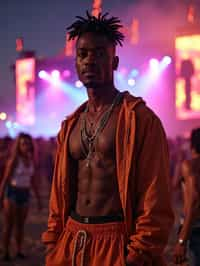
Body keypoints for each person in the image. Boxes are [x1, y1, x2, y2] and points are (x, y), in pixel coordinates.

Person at [42, 12, 174, 266]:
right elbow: (58, 194)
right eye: (83, 54)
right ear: (76, 63)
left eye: (99, 53)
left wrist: (139, 253)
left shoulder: (140, 120)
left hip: (117, 243)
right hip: (72, 240)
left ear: (114, 62)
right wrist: (53, 243)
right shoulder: (70, 125)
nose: (90, 60)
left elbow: (155, 194)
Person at [0, 133, 42, 261]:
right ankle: (5, 251)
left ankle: (18, 250)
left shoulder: (31, 159)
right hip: (12, 193)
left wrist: (38, 198)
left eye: (28, 143)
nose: (26, 146)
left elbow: (33, 181)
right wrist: (1, 197)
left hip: (25, 193)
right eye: (23, 143)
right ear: (18, 145)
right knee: (9, 224)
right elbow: (5, 180)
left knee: (20, 225)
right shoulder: (14, 160)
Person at [174, 128, 200, 266]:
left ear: (192, 144)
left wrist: (181, 240)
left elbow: (194, 202)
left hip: (195, 229)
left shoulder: (190, 165)